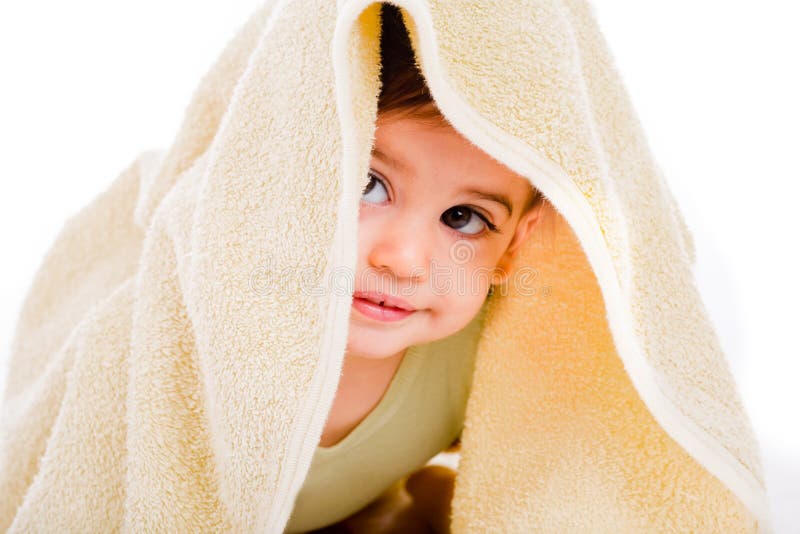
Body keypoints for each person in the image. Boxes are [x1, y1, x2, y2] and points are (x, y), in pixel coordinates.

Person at [287, 4, 546, 533]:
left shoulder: (486, 364)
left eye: (463, 218)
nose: (402, 260)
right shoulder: (210, 331)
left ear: (514, 248)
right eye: (368, 185)